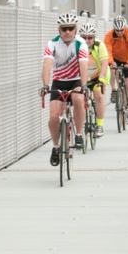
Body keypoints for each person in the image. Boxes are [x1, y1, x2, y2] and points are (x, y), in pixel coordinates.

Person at [41, 11, 89, 166]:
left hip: (75, 81)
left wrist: (84, 86)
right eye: (64, 29)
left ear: (75, 29)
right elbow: (47, 65)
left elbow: (84, 66)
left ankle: (79, 133)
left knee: (78, 99)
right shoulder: (52, 44)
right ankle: (56, 147)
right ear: (59, 30)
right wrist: (45, 85)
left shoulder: (81, 43)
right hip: (58, 82)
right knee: (54, 117)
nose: (67, 32)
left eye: (70, 28)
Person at [104, 15, 128, 125]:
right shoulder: (109, 35)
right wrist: (111, 62)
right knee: (112, 69)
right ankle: (114, 90)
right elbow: (107, 50)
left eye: (121, 30)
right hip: (116, 58)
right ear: (114, 28)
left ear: (125, 28)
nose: (119, 32)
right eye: (117, 30)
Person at [79, 22, 109, 138]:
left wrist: (101, 78)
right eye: (84, 37)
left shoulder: (99, 45)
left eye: (90, 37)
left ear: (94, 37)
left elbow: (104, 63)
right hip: (82, 77)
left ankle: (99, 125)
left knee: (98, 96)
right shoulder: (77, 45)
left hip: (97, 76)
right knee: (79, 98)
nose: (87, 40)